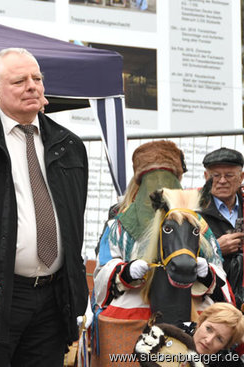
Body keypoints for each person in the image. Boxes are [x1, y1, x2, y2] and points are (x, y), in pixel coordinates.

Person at [0, 47, 89, 366]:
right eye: (19, 80)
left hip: (54, 297)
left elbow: (72, 220)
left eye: (37, 78)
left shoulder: (69, 145)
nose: (32, 86)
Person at [92, 140, 229, 367]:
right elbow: (101, 270)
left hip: (190, 311)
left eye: (167, 179)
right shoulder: (119, 226)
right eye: (152, 180)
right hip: (135, 309)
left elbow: (218, 269)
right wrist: (124, 271)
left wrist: (207, 273)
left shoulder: (198, 223)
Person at [199, 148, 244, 308]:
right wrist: (215, 249)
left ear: (241, 178)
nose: (222, 181)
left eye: (229, 175)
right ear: (206, 177)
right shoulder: (193, 212)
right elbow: (181, 256)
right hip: (211, 299)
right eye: (215, 176)